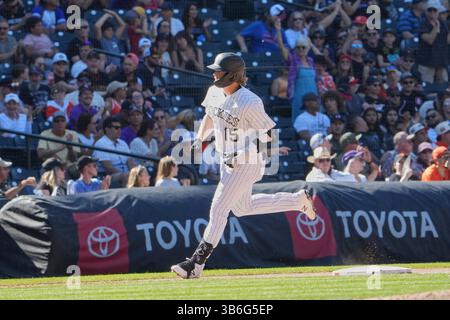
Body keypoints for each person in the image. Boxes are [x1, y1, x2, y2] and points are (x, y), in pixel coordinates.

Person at [170, 52, 316, 279]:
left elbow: (269, 135)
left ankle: (195, 264)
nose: (214, 73)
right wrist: (200, 139)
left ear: (233, 74)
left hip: (246, 162)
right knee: (242, 208)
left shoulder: (250, 100)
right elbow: (209, 115)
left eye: (219, 70)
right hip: (226, 159)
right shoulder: (214, 91)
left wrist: (241, 154)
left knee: (218, 209)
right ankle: (298, 200)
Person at [276, 25, 317, 122]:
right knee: (300, 120)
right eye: (298, 47)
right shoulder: (293, 60)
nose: (301, 50)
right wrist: (278, 31)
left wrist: (311, 44)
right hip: (299, 96)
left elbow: (321, 57)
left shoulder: (311, 61)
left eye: (303, 47)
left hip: (313, 93)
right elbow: (281, 48)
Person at [417, 1, 449, 83]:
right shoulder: (423, 24)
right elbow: (430, 40)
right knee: (427, 86)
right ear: (426, 11)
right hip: (427, 61)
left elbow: (447, 41)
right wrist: (436, 27)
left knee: (444, 87)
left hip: (441, 61)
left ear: (438, 11)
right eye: (429, 10)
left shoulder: (444, 24)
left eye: (434, 10)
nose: (432, 12)